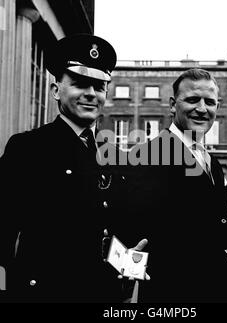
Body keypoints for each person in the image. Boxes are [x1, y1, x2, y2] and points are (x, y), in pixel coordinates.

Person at [0, 34, 146, 302]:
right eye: (79, 84)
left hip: (103, 295)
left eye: (99, 87)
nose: (91, 94)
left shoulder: (112, 155)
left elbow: (121, 227)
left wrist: (128, 276)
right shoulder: (28, 148)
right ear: (56, 90)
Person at [123, 68, 227, 303]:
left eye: (210, 102)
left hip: (224, 289)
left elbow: (215, 217)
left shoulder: (212, 162)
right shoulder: (147, 156)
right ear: (172, 105)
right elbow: (130, 232)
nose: (201, 108)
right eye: (192, 100)